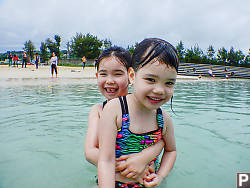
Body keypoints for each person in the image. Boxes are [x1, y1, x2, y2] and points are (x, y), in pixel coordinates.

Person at [98, 38, 178, 187]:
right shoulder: (115, 110)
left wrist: (160, 176)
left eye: (169, 83)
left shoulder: (164, 119)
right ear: (132, 76)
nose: (160, 90)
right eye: (150, 79)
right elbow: (105, 160)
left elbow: (171, 151)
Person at [84, 46, 164, 186]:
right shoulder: (98, 110)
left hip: (147, 178)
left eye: (117, 74)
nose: (109, 80)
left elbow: (163, 138)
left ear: (131, 76)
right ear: (97, 76)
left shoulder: (145, 106)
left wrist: (143, 159)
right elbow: (90, 152)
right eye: (103, 74)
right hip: (113, 177)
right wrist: (129, 169)